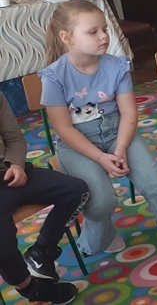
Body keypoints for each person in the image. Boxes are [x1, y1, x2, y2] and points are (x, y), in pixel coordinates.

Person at [38, 0, 157, 274]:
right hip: (76, 144)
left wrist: (120, 148)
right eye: (92, 31)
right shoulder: (53, 76)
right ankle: (98, 237)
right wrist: (101, 157)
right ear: (67, 37)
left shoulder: (117, 65)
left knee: (156, 184)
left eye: (104, 29)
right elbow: (64, 129)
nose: (103, 36)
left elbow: (129, 112)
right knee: (101, 200)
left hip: (119, 132)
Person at [1, 92, 88, 304]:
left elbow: (14, 138)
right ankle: (30, 288)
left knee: (76, 190)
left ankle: (41, 252)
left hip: (9, 172)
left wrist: (15, 164)